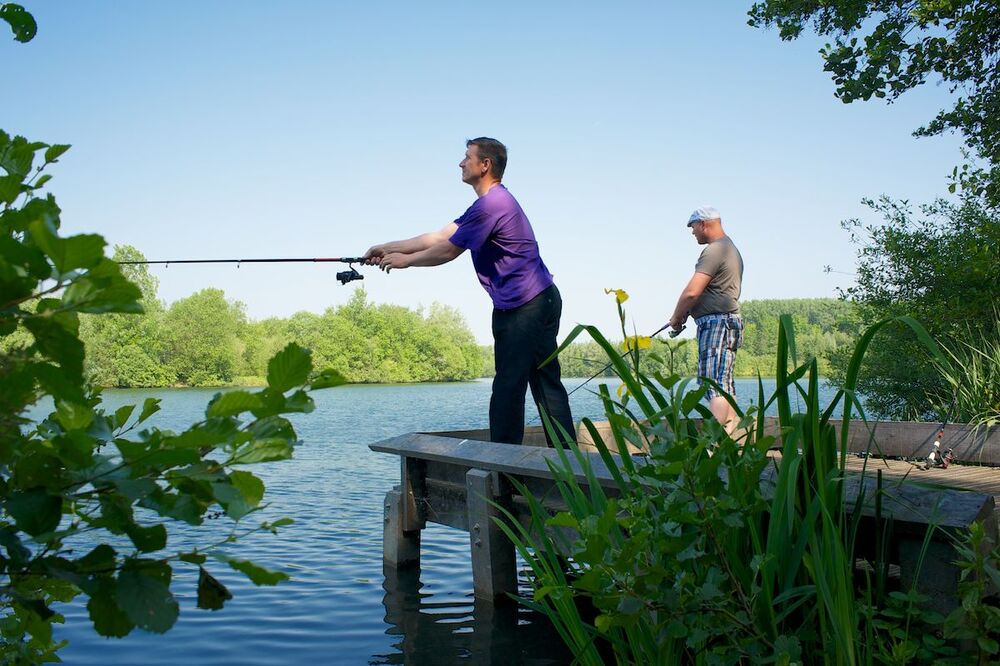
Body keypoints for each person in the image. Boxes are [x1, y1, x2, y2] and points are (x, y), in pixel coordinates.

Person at [363, 138, 575, 446]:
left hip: (523, 307)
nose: (461, 163)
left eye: (467, 157)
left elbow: (447, 251)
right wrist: (387, 248)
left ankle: (502, 469)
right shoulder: (488, 205)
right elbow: (436, 237)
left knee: (507, 388)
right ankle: (571, 464)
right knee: (546, 384)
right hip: (542, 298)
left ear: (484, 165)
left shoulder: (491, 205)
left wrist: (404, 262)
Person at [669, 206, 744, 434]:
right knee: (724, 384)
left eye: (693, 228)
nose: (693, 233)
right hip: (725, 322)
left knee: (714, 385)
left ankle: (716, 443)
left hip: (716, 324)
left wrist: (676, 316)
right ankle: (729, 444)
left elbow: (693, 291)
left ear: (703, 223)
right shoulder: (730, 249)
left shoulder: (715, 250)